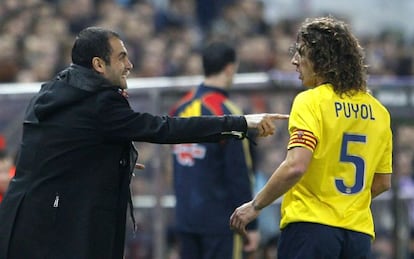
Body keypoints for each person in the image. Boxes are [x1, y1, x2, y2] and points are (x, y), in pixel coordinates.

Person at [0, 27, 289, 259]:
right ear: (99, 65)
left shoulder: (52, 91)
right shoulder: (101, 103)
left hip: (26, 220)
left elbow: (57, 148)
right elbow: (164, 129)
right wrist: (240, 122)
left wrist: (107, 155)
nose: (130, 64)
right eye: (122, 57)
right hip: (61, 228)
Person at [230, 16, 393, 259]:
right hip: (358, 236)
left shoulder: (311, 101)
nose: (294, 61)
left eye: (302, 53)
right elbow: (382, 182)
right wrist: (343, 204)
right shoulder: (379, 112)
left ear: (323, 60)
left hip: (311, 231)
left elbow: (296, 165)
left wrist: (255, 206)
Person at [169, 41, 260, 259]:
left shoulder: (180, 107)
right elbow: (239, 172)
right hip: (222, 222)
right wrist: (252, 223)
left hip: (186, 218)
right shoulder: (228, 113)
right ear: (230, 68)